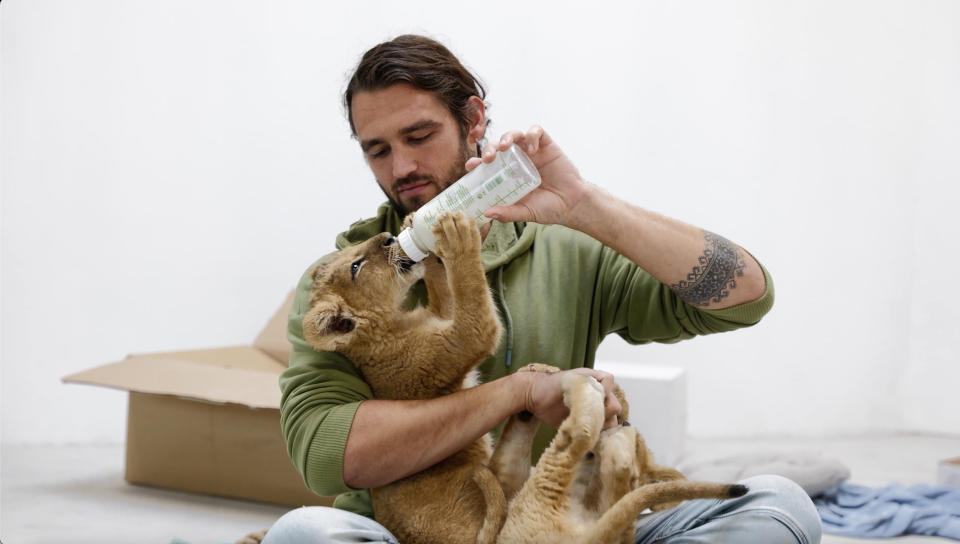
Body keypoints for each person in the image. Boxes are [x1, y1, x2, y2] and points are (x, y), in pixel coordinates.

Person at [263, 34, 821, 544]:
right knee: (305, 534)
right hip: (408, 531)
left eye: (419, 136)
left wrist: (584, 203)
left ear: (473, 119)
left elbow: (746, 295)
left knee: (779, 505)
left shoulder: (564, 245)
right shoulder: (342, 287)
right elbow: (324, 455)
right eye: (377, 150)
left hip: (555, 526)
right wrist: (518, 393)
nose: (402, 166)